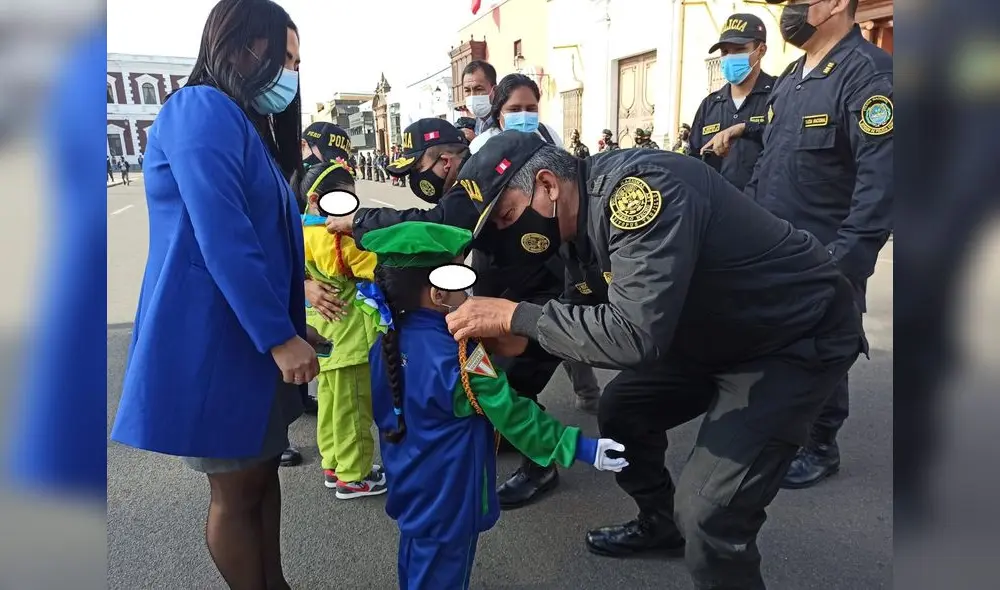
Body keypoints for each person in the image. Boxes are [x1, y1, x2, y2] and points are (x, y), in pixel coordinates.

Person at [443, 131, 866, 589]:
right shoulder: (573, 225)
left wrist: (516, 316)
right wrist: (519, 340)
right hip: (704, 334)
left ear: (547, 185)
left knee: (710, 514)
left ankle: (702, 543)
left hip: (787, 337)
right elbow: (582, 312)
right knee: (624, 411)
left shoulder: (641, 195)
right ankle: (661, 523)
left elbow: (634, 336)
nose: (509, 234)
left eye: (507, 217)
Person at [110, 2, 314, 589]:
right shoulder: (202, 108)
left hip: (248, 336)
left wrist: (292, 322)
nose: (292, 74)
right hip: (219, 338)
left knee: (260, 477)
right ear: (245, 45)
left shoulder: (241, 122)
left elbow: (268, 239)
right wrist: (279, 337)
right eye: (286, 57)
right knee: (234, 490)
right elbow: (223, 234)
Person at [328, 117, 600, 508]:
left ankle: (540, 463)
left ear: (444, 161)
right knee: (493, 379)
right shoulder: (468, 182)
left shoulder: (477, 183)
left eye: (416, 168)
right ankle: (511, 433)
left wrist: (360, 221)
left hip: (540, 292)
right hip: (505, 284)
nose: (414, 180)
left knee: (511, 381)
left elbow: (434, 225)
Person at [361, 220, 628, 590]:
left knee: (417, 559)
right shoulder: (461, 356)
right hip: (449, 491)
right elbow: (515, 414)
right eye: (460, 279)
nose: (470, 291)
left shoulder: (386, 339)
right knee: (444, 573)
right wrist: (583, 447)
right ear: (439, 294)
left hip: (410, 480)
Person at [708, 0, 894, 489]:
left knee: (823, 348)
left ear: (834, 4)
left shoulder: (869, 74)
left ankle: (820, 444)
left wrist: (846, 262)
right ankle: (785, 430)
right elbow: (771, 157)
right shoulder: (793, 77)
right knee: (781, 343)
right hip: (777, 246)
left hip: (827, 253)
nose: (789, 10)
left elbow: (882, 179)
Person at [293, 157, 388, 498]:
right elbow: (372, 266)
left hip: (322, 332)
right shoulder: (336, 239)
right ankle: (354, 476)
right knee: (354, 410)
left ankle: (333, 465)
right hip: (349, 337)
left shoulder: (301, 229)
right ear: (318, 200)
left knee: (331, 407)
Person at [689, 13, 775, 191]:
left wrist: (747, 128)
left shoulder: (780, 93)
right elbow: (694, 159)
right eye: (725, 52)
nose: (730, 57)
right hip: (719, 209)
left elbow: (788, 141)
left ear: (761, 50)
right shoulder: (710, 104)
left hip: (765, 210)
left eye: (739, 50)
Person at [469, 73, 562, 155]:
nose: (524, 115)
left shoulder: (548, 135)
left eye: (531, 109)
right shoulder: (482, 146)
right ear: (498, 113)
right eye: (514, 109)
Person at [462, 60, 497, 134]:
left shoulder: (503, 121)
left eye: (478, 89)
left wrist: (475, 142)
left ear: (495, 90)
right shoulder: (478, 121)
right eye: (467, 90)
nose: (472, 95)